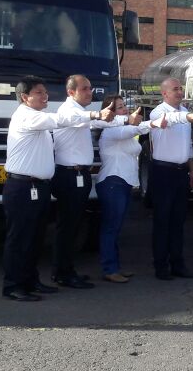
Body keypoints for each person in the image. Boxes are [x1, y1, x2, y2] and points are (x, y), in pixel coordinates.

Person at [2, 76, 114, 301]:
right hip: (23, 187)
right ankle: (13, 285)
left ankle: (31, 280)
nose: (46, 97)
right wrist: (93, 114)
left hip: (39, 186)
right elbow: (61, 119)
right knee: (20, 239)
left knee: (35, 238)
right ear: (25, 97)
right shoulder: (26, 116)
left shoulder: (38, 118)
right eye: (40, 93)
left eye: (45, 92)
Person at [51, 74, 134, 289]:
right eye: (85, 89)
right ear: (71, 92)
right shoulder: (69, 111)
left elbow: (101, 121)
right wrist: (98, 113)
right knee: (67, 227)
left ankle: (67, 270)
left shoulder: (82, 113)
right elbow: (88, 118)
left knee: (74, 225)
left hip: (80, 175)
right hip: (69, 175)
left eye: (90, 88)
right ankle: (62, 273)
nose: (90, 92)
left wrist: (124, 119)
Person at [148, 77, 193, 280]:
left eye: (181, 88)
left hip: (180, 172)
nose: (179, 92)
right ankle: (161, 265)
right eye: (175, 89)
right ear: (164, 93)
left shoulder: (185, 112)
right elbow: (172, 119)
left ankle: (178, 263)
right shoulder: (158, 112)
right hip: (163, 172)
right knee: (162, 221)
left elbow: (187, 147)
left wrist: (192, 171)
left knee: (178, 221)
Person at [96, 94, 159, 283]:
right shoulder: (111, 130)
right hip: (112, 182)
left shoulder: (123, 129)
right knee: (110, 228)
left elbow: (133, 131)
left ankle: (114, 266)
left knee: (115, 228)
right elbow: (133, 130)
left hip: (122, 183)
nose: (125, 110)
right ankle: (109, 268)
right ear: (111, 112)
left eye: (125, 106)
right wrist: (153, 123)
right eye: (121, 107)